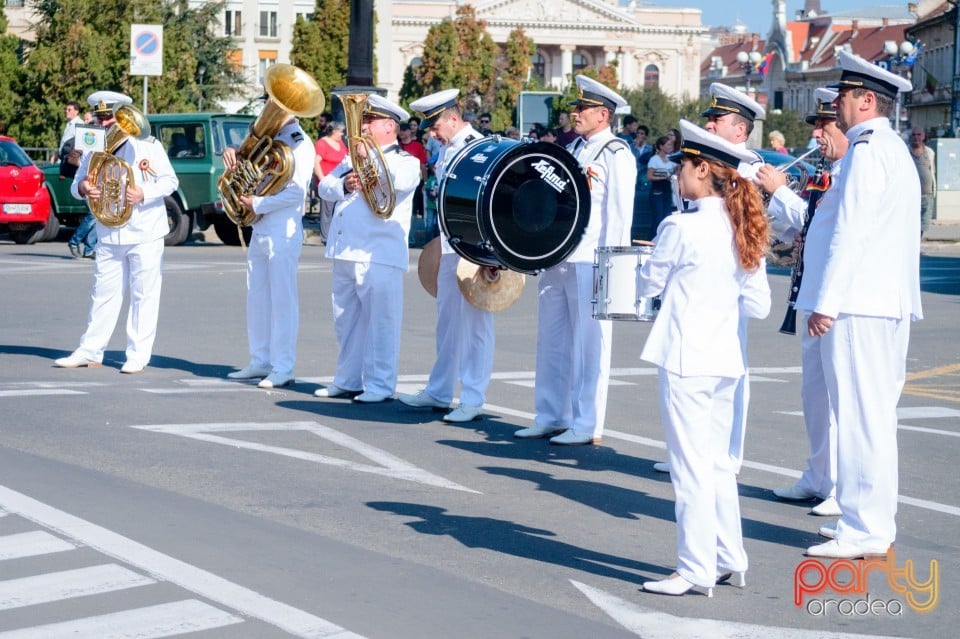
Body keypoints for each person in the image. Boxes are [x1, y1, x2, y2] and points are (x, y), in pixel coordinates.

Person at [638, 119, 771, 597]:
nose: (677, 174)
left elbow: (647, 287)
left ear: (701, 171)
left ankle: (694, 568)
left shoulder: (680, 226)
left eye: (683, 166)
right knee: (715, 465)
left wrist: (659, 268)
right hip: (725, 361)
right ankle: (729, 556)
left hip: (685, 359)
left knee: (689, 468)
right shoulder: (742, 227)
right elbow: (758, 305)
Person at [803, 50, 921, 560]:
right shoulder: (889, 149)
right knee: (870, 416)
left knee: (859, 418)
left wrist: (826, 302)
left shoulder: (869, 151)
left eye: (845, 98)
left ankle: (865, 529)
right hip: (883, 302)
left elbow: (849, 233)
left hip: (860, 304)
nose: (839, 108)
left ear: (866, 100)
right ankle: (865, 519)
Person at [514, 75, 635, 445]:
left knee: (591, 344)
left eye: (582, 109)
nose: (575, 114)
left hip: (591, 261)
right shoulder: (577, 149)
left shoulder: (617, 154)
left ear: (603, 114)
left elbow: (618, 217)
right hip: (560, 256)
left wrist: (611, 269)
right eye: (575, 108)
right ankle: (550, 414)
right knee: (551, 341)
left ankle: (587, 423)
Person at [653, 82, 765, 475]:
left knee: (729, 365)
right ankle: (701, 449)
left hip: (732, 273)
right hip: (701, 264)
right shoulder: (708, 160)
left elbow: (758, 231)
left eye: (718, 120)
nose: (711, 126)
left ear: (740, 129)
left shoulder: (748, 169)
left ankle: (726, 454)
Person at [755, 88, 845, 519]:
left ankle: (842, 487)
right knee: (814, 393)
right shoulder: (822, 172)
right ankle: (818, 475)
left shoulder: (849, 171)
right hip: (809, 288)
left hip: (835, 296)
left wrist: (778, 192)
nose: (817, 134)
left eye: (825, 125)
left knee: (840, 395)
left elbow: (825, 224)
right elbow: (803, 232)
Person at [54, 91, 178, 373]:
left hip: (143, 230)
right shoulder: (94, 144)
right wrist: (84, 187)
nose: (104, 122)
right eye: (100, 117)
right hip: (109, 230)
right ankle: (90, 350)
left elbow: (171, 180)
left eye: (109, 117)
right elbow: (78, 183)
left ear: (122, 116)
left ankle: (137, 355)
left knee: (143, 295)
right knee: (103, 293)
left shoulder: (147, 143)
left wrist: (144, 192)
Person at [315, 95, 421, 403]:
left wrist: (368, 159)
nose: (361, 127)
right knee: (345, 321)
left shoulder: (405, 161)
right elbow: (325, 187)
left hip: (379, 254)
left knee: (382, 323)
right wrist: (344, 184)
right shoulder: (351, 158)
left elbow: (397, 184)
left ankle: (380, 385)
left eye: (369, 122)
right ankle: (347, 379)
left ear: (389, 126)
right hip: (346, 250)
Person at [399, 88, 491, 423]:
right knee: (448, 322)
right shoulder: (448, 148)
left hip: (476, 250)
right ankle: (439, 391)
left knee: (476, 325)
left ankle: (473, 397)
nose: (431, 134)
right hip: (452, 246)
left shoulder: (478, 148)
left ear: (453, 118)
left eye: (435, 126)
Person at [224, 90, 316, 389]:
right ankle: (259, 360)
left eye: (272, 103)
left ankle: (283, 366)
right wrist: (234, 157)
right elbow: (249, 173)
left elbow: (296, 192)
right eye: (268, 101)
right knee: (257, 297)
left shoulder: (300, 145)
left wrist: (258, 204)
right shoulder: (266, 139)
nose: (267, 107)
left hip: (282, 228)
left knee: (282, 300)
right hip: (261, 228)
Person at [65, 98, 98, 260]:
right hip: (85, 181)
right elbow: (72, 157)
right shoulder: (85, 136)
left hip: (97, 183)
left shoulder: (103, 138)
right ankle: (75, 240)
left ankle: (89, 249)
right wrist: (85, 167)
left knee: (98, 216)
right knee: (95, 214)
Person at [313, 120, 348, 243]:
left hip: (340, 183)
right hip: (328, 182)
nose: (342, 134)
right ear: (334, 131)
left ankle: (335, 236)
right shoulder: (322, 143)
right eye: (341, 131)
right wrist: (322, 180)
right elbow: (316, 162)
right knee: (327, 212)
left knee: (338, 210)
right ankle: (326, 238)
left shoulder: (341, 144)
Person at [909, 126, 936, 239]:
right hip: (911, 195)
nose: (916, 137)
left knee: (923, 224)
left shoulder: (929, 152)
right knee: (910, 223)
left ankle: (918, 244)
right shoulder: (905, 151)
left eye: (919, 134)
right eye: (914, 135)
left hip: (927, 195)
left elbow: (932, 170)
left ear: (923, 136)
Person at [646, 136, 676, 230]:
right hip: (657, 191)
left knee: (667, 217)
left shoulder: (670, 158)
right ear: (661, 146)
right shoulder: (654, 159)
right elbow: (649, 176)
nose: (671, 146)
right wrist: (663, 177)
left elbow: (676, 169)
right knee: (658, 219)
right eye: (668, 144)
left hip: (667, 191)